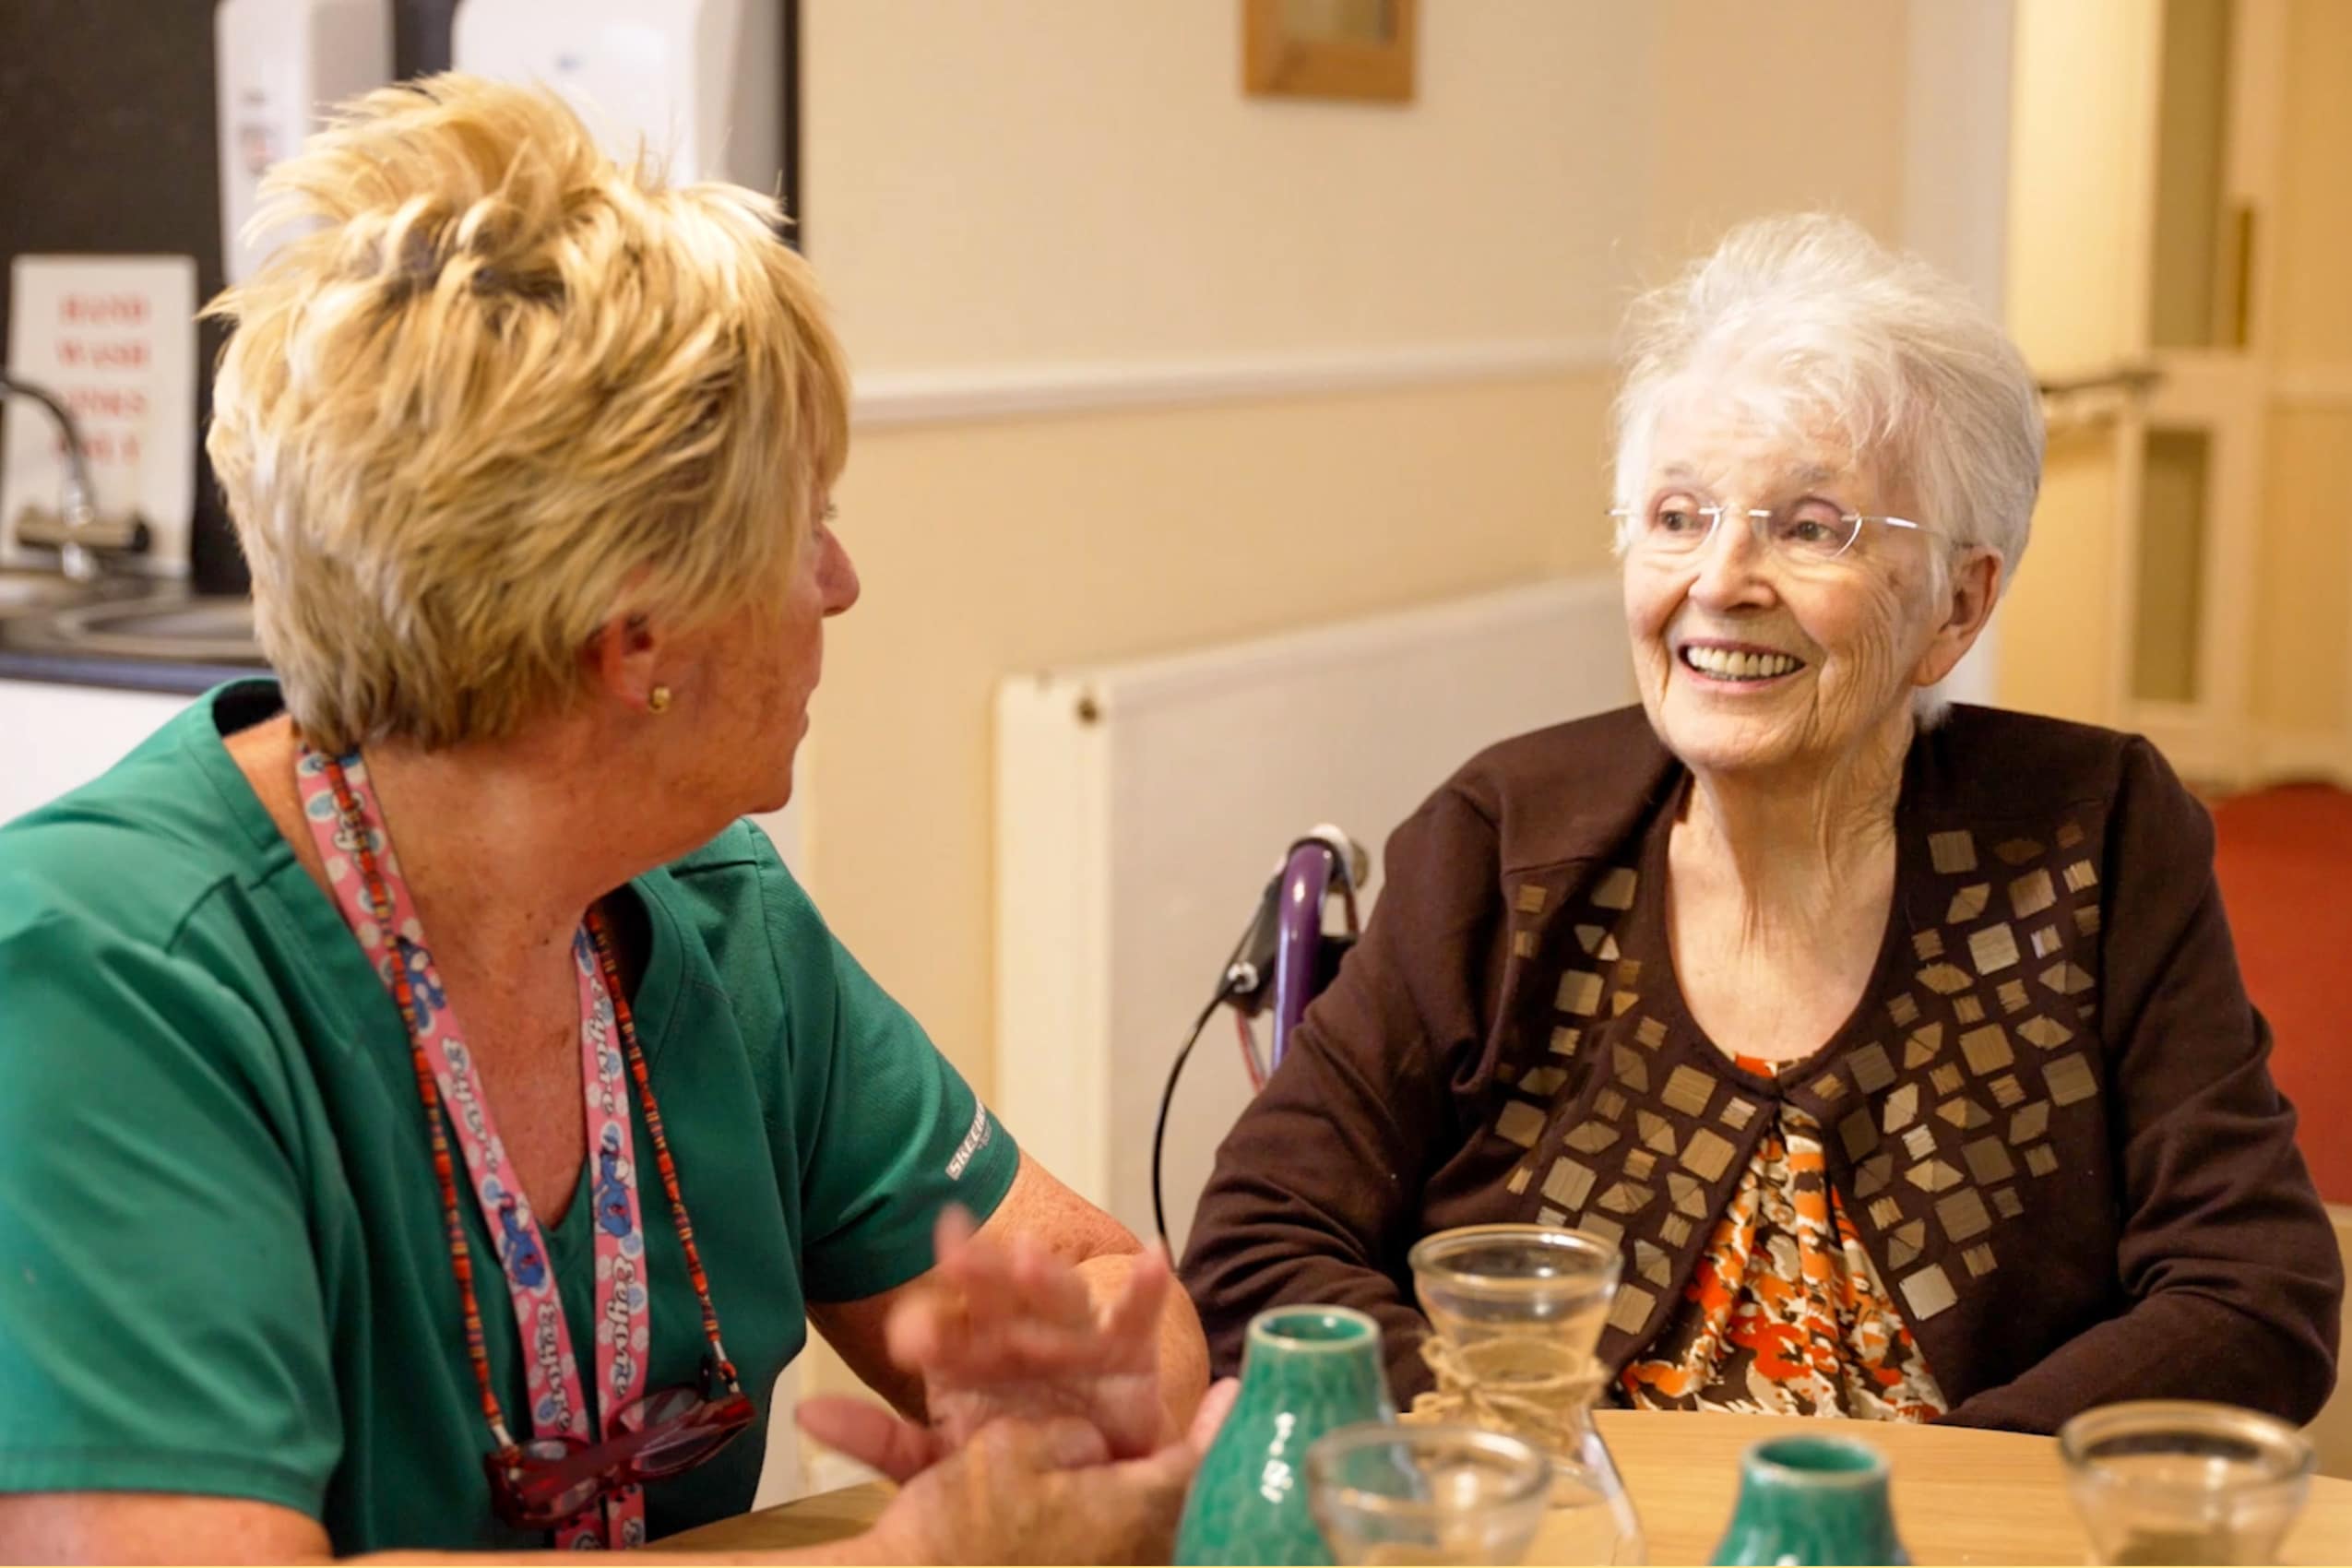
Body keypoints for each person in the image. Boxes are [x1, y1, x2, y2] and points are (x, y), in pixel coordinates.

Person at [0, 76, 1218, 1561]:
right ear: (634, 638)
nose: (839, 585)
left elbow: (1098, 1290)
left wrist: (1082, 1401)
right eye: (805, 526)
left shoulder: (714, 908)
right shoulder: (99, 979)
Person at [1181, 214, 2342, 1430]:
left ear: (1956, 604)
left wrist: (1883, 1510)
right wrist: (1516, 1457)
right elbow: (1260, 1244)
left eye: (1807, 527)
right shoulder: (1507, 840)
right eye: (1677, 516)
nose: (1719, 580)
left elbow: (2250, 1295)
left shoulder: (2087, 839)